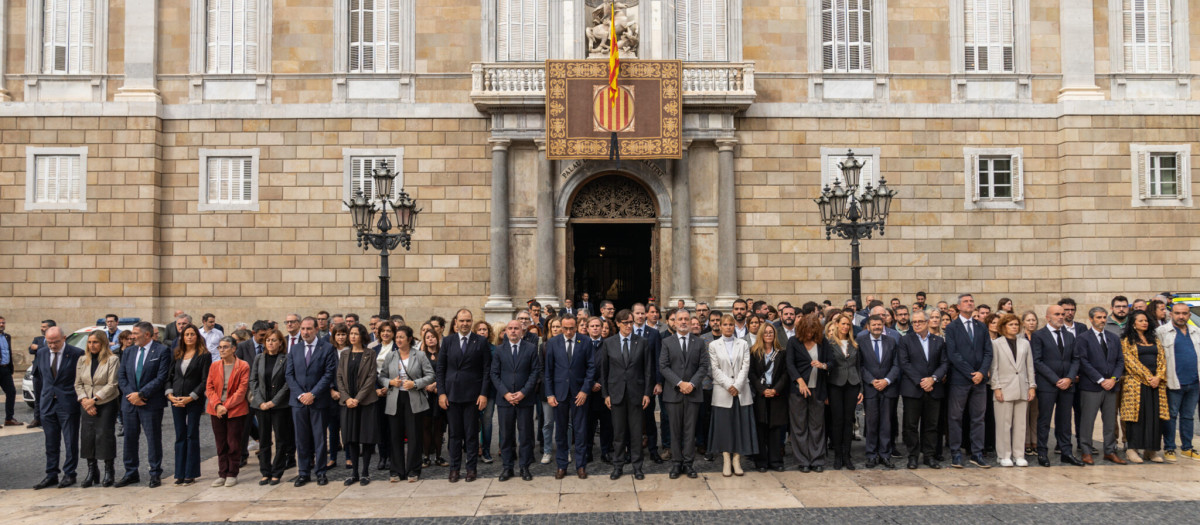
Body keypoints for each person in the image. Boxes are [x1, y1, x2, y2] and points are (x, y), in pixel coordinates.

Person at [436, 309, 491, 483]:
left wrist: (483, 394)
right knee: (454, 435)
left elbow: (486, 370)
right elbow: (441, 369)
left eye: (468, 320)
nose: (465, 324)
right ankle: (454, 469)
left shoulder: (480, 341)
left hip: (473, 396)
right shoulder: (448, 341)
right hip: (451, 395)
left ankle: (471, 469)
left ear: (471, 322)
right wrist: (442, 393)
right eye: (462, 321)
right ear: (456, 322)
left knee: (471, 434)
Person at [116, 321, 172, 488]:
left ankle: (155, 473)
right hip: (130, 403)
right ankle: (131, 472)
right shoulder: (129, 351)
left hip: (150, 403)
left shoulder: (162, 351)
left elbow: (161, 377)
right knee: (130, 439)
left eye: (135, 333)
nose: (132, 336)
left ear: (147, 335)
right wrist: (131, 395)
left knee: (153, 438)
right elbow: (122, 376)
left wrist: (141, 394)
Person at [600, 309, 653, 480]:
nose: (629, 326)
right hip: (616, 394)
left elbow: (647, 370)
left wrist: (647, 393)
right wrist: (606, 394)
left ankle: (638, 467)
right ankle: (618, 466)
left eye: (631, 322)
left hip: (636, 394)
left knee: (637, 433)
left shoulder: (642, 342)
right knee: (619, 433)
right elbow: (604, 371)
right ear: (618, 323)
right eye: (625, 323)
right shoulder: (609, 343)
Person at [285, 317, 338, 487]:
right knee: (301, 439)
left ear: (316, 329)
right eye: (303, 329)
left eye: (309, 329)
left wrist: (313, 394)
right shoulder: (295, 349)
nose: (305, 332)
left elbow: (329, 374)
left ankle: (321, 472)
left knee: (320, 438)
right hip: (298, 402)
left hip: (319, 401)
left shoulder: (327, 348)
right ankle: (303, 472)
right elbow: (289, 375)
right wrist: (301, 394)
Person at [1030, 305, 1083, 467]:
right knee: (1045, 420)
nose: (1061, 316)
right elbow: (1037, 361)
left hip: (1068, 385)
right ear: (1048, 317)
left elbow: (1076, 359)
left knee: (1065, 420)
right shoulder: (1039, 335)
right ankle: (1042, 452)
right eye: (1057, 314)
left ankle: (1066, 452)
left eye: (1062, 314)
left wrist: (1069, 378)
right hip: (1047, 385)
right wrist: (1055, 379)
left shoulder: (1069, 336)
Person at [379, 325, 434, 482]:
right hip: (394, 398)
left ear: (410, 339)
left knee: (414, 435)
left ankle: (413, 470)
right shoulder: (391, 356)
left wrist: (415, 383)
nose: (398, 340)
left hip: (414, 398)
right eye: (397, 337)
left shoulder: (420, 355)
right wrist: (390, 382)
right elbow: (381, 376)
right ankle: (396, 470)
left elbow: (430, 376)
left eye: (402, 337)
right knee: (395, 435)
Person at [944, 294, 992, 469]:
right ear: (958, 306)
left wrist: (981, 373)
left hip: (979, 381)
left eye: (972, 301)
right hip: (960, 380)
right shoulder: (952, 327)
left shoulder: (981, 326)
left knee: (978, 418)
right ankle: (956, 453)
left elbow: (988, 352)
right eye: (966, 301)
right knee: (956, 417)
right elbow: (953, 354)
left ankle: (977, 453)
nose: (970, 304)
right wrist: (971, 373)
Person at [659, 308, 708, 479]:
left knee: (690, 430)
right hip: (673, 393)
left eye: (686, 318)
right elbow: (663, 366)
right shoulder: (667, 342)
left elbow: (703, 366)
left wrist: (692, 384)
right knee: (674, 429)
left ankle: (688, 464)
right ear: (674, 321)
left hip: (693, 393)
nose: (683, 322)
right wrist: (680, 383)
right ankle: (676, 463)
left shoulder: (699, 342)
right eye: (680, 319)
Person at [32, 326, 83, 489]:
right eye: (49, 342)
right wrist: (38, 406)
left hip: (68, 403)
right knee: (51, 442)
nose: (52, 346)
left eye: (55, 342)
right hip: (47, 403)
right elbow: (39, 379)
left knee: (70, 440)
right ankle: (51, 474)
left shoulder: (76, 354)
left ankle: (69, 474)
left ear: (64, 338)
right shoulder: (41, 353)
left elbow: (81, 379)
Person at [491, 320, 542, 482]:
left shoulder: (531, 349)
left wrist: (523, 393)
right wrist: (506, 393)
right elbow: (494, 374)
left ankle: (524, 467)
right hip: (505, 400)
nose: (513, 331)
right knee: (506, 435)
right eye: (510, 329)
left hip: (525, 400)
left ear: (522, 331)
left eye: (516, 329)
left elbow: (535, 373)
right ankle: (507, 468)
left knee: (526, 435)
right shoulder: (499, 350)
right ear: (505, 331)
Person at [897, 309, 948, 469]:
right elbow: (904, 363)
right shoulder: (906, 341)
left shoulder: (938, 341)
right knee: (911, 425)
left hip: (934, 389)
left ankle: (929, 456)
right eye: (914, 322)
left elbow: (944, 363)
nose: (917, 324)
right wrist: (921, 381)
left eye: (920, 322)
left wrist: (932, 379)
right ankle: (912, 456)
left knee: (931, 425)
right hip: (913, 389)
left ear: (927, 323)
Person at [708, 314, 758, 476]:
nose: (728, 327)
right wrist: (729, 385)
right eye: (725, 324)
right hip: (723, 391)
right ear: (720, 326)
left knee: (740, 426)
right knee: (724, 427)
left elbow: (746, 365)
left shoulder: (743, 344)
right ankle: (726, 459)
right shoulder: (713, 345)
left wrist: (737, 385)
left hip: (741, 390)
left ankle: (737, 459)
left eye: (731, 325)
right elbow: (714, 369)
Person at [545, 316, 594, 479]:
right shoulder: (553, 343)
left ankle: (581, 466)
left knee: (580, 431)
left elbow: (591, 368)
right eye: (564, 328)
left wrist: (585, 390)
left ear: (577, 327)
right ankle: (561, 465)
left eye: (571, 328)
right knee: (560, 431)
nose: (568, 331)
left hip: (579, 394)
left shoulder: (585, 341)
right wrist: (550, 394)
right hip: (559, 394)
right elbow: (548, 372)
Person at [1076, 307, 1125, 465]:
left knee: (1110, 422)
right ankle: (1086, 451)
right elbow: (1083, 361)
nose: (1102, 320)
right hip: (1091, 387)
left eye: (1104, 317)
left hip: (1111, 386)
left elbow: (1120, 361)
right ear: (1091, 319)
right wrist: (1100, 379)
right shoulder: (1083, 338)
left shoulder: (1113, 338)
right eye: (1099, 317)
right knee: (1087, 421)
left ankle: (1110, 451)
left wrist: (1113, 379)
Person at [165, 324, 212, 486]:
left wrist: (191, 397)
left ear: (197, 336)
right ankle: (179, 472)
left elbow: (205, 380)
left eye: (192, 334)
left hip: (193, 400)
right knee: (180, 435)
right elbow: (169, 376)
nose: (189, 337)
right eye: (186, 335)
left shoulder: (204, 355)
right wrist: (170, 394)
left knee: (191, 434)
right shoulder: (177, 353)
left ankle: (190, 473)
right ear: (182, 338)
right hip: (176, 399)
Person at [1121, 311, 1169, 464]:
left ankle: (1151, 450)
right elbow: (1130, 362)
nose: (1144, 323)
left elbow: (1162, 359)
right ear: (1133, 324)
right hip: (1136, 383)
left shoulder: (1154, 339)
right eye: (1141, 320)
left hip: (1156, 385)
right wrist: (1149, 377)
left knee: (1155, 417)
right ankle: (1132, 449)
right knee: (1136, 418)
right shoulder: (1127, 340)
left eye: (1146, 320)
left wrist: (1158, 377)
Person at [74, 331, 121, 487]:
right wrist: (85, 401)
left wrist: (94, 400)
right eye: (89, 342)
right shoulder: (82, 360)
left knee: (104, 436)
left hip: (106, 402)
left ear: (103, 343)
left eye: (95, 342)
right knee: (87, 436)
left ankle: (109, 470)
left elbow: (112, 384)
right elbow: (78, 384)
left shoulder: (112, 360)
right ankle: (92, 471)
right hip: (86, 403)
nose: (92, 345)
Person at [989, 315, 1036, 468]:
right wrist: (996, 387)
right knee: (1004, 424)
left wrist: (1032, 386)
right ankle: (1003, 455)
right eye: (1011, 324)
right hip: (1004, 387)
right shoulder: (996, 344)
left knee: (1021, 424)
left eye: (1016, 324)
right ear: (1004, 327)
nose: (1014, 327)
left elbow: (1029, 367)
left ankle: (1019, 454)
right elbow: (993, 368)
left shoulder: (1025, 344)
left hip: (1022, 387)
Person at [337, 324, 380, 485]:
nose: (353, 336)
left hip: (366, 402)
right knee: (351, 438)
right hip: (348, 403)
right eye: (351, 334)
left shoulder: (370, 354)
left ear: (362, 335)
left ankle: (365, 472)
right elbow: (339, 377)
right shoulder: (345, 354)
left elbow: (371, 378)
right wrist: (347, 398)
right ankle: (354, 472)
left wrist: (358, 398)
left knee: (366, 438)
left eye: (356, 333)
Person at [1157, 302, 1200, 462]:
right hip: (1173, 382)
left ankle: (1187, 447)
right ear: (1171, 314)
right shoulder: (1161, 332)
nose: (1181, 316)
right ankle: (1169, 448)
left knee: (1188, 416)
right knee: (1171, 416)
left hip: (1194, 382)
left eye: (1184, 313)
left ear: (1189, 315)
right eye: (1177, 313)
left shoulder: (1197, 332)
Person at [249, 328, 293, 485]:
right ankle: (265, 472)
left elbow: (288, 383)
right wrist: (261, 401)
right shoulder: (259, 358)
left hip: (279, 405)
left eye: (274, 340)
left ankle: (277, 471)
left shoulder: (286, 359)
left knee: (281, 439)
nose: (271, 343)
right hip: (261, 405)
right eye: (268, 340)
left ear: (280, 342)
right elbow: (253, 381)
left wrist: (274, 401)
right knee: (264, 440)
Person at [786, 313, 829, 473]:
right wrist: (800, 381)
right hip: (798, 391)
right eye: (807, 331)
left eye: (813, 331)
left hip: (818, 388)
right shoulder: (793, 342)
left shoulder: (822, 342)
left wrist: (823, 365)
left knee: (817, 425)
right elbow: (789, 364)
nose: (810, 334)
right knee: (799, 426)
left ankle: (817, 460)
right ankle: (803, 461)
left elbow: (831, 362)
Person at [206, 337, 250, 487]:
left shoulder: (243, 366)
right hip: (216, 409)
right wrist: (218, 405)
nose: (222, 350)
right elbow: (209, 388)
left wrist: (226, 406)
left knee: (233, 442)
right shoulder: (214, 366)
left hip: (235, 409)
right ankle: (222, 473)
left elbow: (241, 390)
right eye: (220, 347)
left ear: (233, 349)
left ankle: (232, 473)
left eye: (225, 347)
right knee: (221, 443)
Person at [748, 323, 788, 472]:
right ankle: (761, 462)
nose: (769, 335)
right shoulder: (754, 352)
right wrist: (762, 389)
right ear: (761, 334)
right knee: (761, 429)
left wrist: (776, 389)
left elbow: (785, 374)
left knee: (776, 430)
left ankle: (776, 461)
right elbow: (751, 373)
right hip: (761, 395)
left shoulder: (781, 352)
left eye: (771, 332)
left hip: (777, 395)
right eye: (766, 332)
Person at [824, 312, 862, 470]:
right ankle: (838, 455)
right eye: (843, 324)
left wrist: (862, 389)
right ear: (837, 325)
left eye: (848, 324)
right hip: (835, 385)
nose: (846, 327)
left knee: (849, 421)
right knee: (837, 421)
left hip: (852, 384)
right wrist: (825, 392)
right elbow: (826, 369)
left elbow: (859, 367)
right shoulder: (829, 344)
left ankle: (847, 455)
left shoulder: (854, 344)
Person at [632, 303, 667, 465]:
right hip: (631, 384)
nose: (639, 316)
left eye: (641, 313)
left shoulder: (653, 334)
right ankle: (633, 450)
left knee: (650, 419)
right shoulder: (626, 332)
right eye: (637, 313)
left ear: (645, 315)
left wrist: (658, 382)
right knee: (632, 419)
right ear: (632, 315)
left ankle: (653, 450)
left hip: (648, 383)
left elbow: (658, 359)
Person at [583, 316, 613, 465]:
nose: (595, 328)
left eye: (597, 326)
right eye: (592, 326)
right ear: (587, 329)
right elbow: (579, 367)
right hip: (587, 392)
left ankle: (606, 451)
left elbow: (612, 368)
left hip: (604, 391)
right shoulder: (581, 344)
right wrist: (591, 383)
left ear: (602, 328)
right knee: (588, 424)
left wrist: (600, 383)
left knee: (606, 424)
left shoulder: (608, 344)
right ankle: (587, 451)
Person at [369, 321, 398, 473]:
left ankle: (393, 456)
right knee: (380, 426)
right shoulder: (374, 349)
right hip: (377, 392)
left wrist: (388, 386)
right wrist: (376, 389)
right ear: (378, 333)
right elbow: (369, 372)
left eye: (389, 331)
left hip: (393, 390)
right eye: (383, 331)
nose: (385, 333)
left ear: (393, 333)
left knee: (392, 426)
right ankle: (383, 456)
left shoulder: (397, 348)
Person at [420, 327, 448, 468]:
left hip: (439, 393)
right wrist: (426, 385)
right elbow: (417, 373)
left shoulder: (443, 354)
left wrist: (437, 385)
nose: (430, 339)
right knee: (425, 426)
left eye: (433, 336)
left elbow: (446, 371)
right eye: (427, 337)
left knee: (438, 427)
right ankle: (426, 456)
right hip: (425, 395)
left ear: (437, 338)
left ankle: (438, 455)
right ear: (424, 340)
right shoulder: (420, 355)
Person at [536, 317, 563, 465]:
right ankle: (547, 450)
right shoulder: (544, 346)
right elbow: (541, 369)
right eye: (553, 327)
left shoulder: (568, 345)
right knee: (547, 423)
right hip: (548, 390)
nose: (556, 329)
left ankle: (563, 450)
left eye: (558, 326)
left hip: (565, 390)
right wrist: (549, 389)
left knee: (566, 423)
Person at [475, 321, 498, 465]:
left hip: (489, 391)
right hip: (472, 391)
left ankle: (486, 450)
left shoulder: (494, 350)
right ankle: (473, 448)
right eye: (480, 330)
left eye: (485, 329)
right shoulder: (470, 347)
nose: (482, 332)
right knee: (472, 422)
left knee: (487, 422)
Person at [0, 316, 20, 427]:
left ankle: (9, 419)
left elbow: (8, 352)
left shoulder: (7, 336)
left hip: (5, 369)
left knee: (11, 392)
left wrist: (10, 367)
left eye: (3, 323)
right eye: (0, 323)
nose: (2, 325)